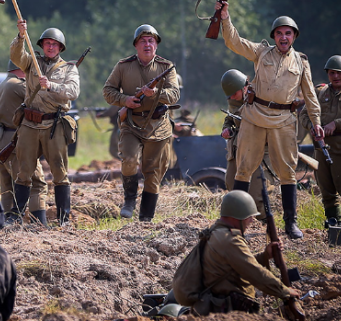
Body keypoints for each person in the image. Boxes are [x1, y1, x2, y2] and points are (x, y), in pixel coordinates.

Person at [215, 1, 323, 239]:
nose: (283, 37)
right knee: (243, 170)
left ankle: (290, 223)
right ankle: (237, 222)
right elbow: (234, 41)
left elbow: (310, 95)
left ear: (294, 36)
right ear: (273, 36)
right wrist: (225, 17)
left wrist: (316, 122)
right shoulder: (261, 52)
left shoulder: (301, 62)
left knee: (287, 172)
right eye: (279, 33)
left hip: (283, 120)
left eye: (288, 33)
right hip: (254, 117)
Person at [103, 24, 180, 221]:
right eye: (143, 41)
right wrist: (125, 100)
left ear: (157, 45)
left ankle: (146, 219)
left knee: (153, 173)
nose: (147, 44)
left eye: (151, 40)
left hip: (158, 126)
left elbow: (174, 95)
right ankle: (129, 200)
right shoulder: (123, 66)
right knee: (128, 159)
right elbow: (108, 91)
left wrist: (156, 94)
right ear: (136, 45)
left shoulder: (167, 67)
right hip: (131, 122)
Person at [10, 21, 80, 225]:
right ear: (41, 45)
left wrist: (51, 86)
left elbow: (73, 92)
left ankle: (63, 219)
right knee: (24, 171)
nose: (50, 47)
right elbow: (15, 56)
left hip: (54, 125)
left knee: (59, 172)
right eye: (47, 43)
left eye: (54, 44)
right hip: (29, 124)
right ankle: (16, 217)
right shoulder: (31, 61)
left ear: (60, 48)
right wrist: (21, 36)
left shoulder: (69, 68)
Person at [198, 190, 300, 314]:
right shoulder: (230, 240)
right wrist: (285, 291)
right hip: (227, 310)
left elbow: (238, 265)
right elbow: (254, 272)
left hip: (219, 303)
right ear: (237, 216)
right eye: (249, 216)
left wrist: (265, 256)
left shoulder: (217, 231)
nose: (252, 220)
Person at [300, 55, 341, 233]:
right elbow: (304, 114)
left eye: (339, 73)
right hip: (322, 149)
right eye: (331, 73)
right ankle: (335, 230)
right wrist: (313, 126)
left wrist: (335, 124)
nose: (335, 76)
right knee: (327, 193)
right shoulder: (320, 92)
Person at [0, 60, 48, 225]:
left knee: (7, 184)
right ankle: (39, 222)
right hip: (15, 142)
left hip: (0, 140)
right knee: (36, 182)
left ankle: (7, 221)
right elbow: (42, 100)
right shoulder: (17, 85)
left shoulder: (1, 85)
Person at [220, 69, 267, 220]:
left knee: (255, 189)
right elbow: (229, 118)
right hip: (236, 147)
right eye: (230, 95)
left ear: (244, 87)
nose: (232, 98)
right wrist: (226, 129)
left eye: (234, 94)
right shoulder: (233, 98)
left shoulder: (259, 97)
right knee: (230, 182)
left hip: (255, 147)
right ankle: (238, 219)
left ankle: (261, 220)